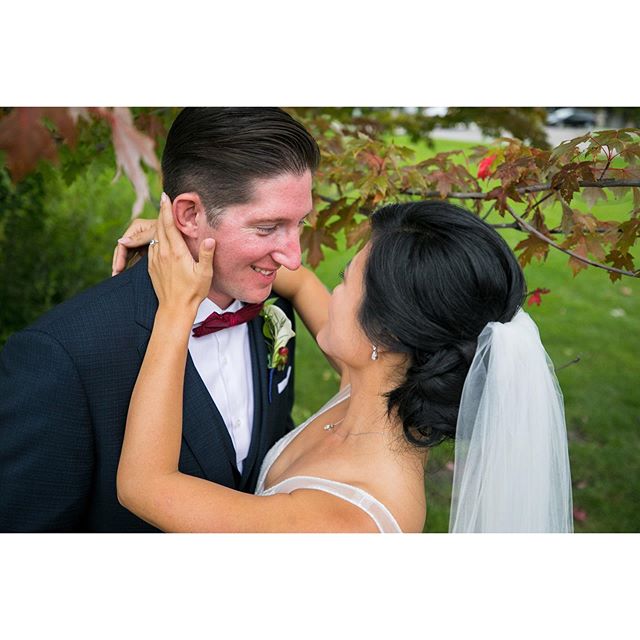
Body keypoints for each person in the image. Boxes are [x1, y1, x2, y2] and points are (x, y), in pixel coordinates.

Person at [114, 197, 574, 533]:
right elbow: (299, 282)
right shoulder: (378, 389)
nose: (331, 292)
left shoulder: (348, 521)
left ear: (387, 333)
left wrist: (176, 308)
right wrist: (198, 240)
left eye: (346, 280)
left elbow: (144, 485)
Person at [0, 108, 320, 532]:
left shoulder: (275, 301)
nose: (294, 258)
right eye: (267, 227)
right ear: (187, 215)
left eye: (299, 224)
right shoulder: (60, 358)